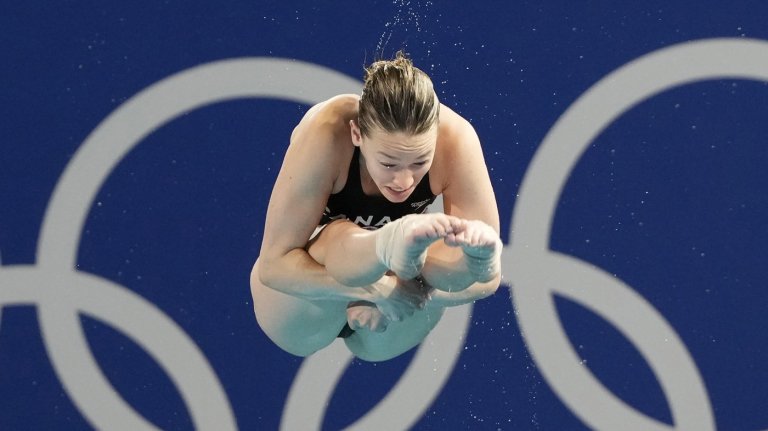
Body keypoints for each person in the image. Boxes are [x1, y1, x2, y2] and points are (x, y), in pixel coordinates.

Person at [250, 51, 502, 362]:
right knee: (339, 234)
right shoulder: (328, 131)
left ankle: (402, 251)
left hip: (392, 317)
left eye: (420, 161)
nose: (404, 180)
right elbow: (274, 267)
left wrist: (404, 290)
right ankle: (387, 242)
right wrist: (374, 290)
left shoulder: (456, 139)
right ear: (357, 134)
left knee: (447, 256)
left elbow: (489, 280)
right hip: (303, 306)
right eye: (389, 163)